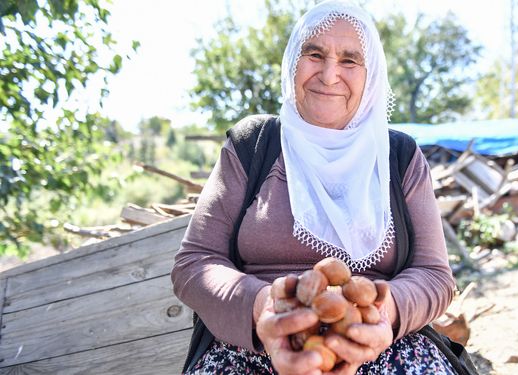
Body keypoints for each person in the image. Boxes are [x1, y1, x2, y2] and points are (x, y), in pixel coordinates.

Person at [171, 1, 457, 374]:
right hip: (254, 346)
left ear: (371, 76)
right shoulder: (253, 144)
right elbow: (195, 262)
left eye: (350, 60)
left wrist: (383, 314)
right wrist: (265, 310)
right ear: (293, 61)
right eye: (314, 53)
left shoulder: (399, 156)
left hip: (383, 348)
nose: (329, 73)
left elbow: (434, 275)